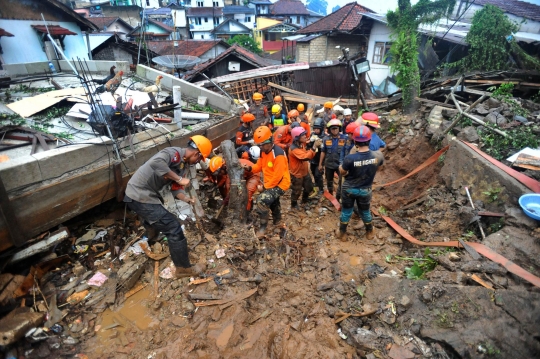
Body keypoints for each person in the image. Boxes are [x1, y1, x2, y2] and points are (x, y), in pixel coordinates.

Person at [124, 135, 212, 278]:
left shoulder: (181, 166)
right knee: (173, 228)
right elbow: (156, 163)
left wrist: (187, 199)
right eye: (198, 159)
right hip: (138, 195)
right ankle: (183, 269)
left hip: (143, 195)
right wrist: (179, 179)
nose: (196, 162)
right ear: (196, 153)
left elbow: (176, 189)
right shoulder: (173, 154)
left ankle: (152, 241)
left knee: (156, 220)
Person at [337, 125, 384, 240]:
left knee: (346, 211)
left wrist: (340, 167)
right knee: (365, 211)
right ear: (369, 140)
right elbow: (379, 168)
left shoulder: (350, 158)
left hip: (349, 189)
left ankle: (342, 233)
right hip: (365, 189)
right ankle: (369, 232)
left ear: (355, 141)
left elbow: (343, 172)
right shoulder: (378, 155)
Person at [241, 126, 290, 236]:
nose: (261, 147)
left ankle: (263, 228)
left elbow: (278, 177)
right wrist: (250, 168)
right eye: (259, 145)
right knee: (273, 201)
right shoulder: (263, 152)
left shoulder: (278, 155)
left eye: (262, 144)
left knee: (262, 200)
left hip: (281, 184)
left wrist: (265, 187)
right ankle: (278, 222)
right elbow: (259, 166)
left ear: (270, 141)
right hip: (270, 182)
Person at [288, 127, 321, 208]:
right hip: (297, 174)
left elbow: (307, 153)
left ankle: (304, 201)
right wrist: (314, 147)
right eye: (303, 135)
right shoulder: (294, 149)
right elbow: (305, 157)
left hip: (304, 172)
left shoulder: (301, 145)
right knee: (296, 191)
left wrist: (313, 150)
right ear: (297, 137)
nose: (305, 136)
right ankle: (294, 204)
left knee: (308, 187)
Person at [319, 118, 347, 199]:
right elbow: (323, 152)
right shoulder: (325, 139)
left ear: (339, 129)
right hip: (329, 165)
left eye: (336, 128)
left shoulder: (344, 139)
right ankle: (330, 195)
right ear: (329, 130)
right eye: (332, 128)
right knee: (329, 181)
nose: (334, 130)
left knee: (342, 181)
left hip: (340, 165)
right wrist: (320, 164)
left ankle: (339, 196)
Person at [309, 118, 325, 195]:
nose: (316, 130)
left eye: (317, 129)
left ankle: (321, 189)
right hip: (313, 158)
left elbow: (324, 150)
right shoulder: (312, 135)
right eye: (315, 129)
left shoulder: (324, 137)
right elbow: (309, 146)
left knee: (318, 174)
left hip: (320, 159)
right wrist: (310, 141)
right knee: (313, 172)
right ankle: (316, 184)